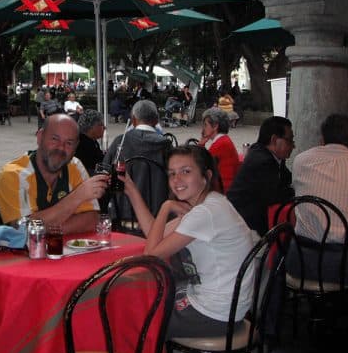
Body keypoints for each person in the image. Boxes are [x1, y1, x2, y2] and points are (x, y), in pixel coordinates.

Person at [0, 114, 109, 353]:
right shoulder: (13, 174)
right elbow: (21, 229)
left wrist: (47, 225)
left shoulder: (76, 167)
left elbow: (91, 220)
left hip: (49, 246)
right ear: (39, 137)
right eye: (54, 139)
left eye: (69, 143)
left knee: (72, 287)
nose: (61, 148)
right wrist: (75, 199)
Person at [123, 145, 254, 337]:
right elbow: (154, 233)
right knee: (146, 294)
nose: (176, 180)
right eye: (172, 173)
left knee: (134, 315)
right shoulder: (209, 202)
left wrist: (166, 207)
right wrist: (133, 191)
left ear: (206, 176)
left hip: (215, 313)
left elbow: (151, 256)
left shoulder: (205, 213)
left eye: (186, 171)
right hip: (227, 305)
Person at [289, 114, 348, 348]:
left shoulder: (301, 160)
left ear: (322, 137)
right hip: (344, 263)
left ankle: (273, 327)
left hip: (300, 260)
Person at [103, 100, 170, 227]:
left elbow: (104, 175)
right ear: (156, 121)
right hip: (157, 221)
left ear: (133, 121)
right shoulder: (166, 145)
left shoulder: (120, 142)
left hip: (121, 218)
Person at [227, 116, 295, 237]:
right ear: (274, 140)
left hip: (251, 218)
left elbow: (288, 178)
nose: (293, 146)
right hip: (244, 226)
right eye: (289, 140)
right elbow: (277, 195)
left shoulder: (266, 153)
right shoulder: (262, 161)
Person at [198, 108, 240, 192]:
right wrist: (201, 143)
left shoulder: (220, 144)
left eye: (205, 125)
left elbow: (198, 163)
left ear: (215, 126)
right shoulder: (224, 140)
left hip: (223, 191)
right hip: (226, 188)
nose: (203, 128)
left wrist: (201, 144)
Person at [74, 109, 105, 175]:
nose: (104, 127)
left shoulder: (90, 140)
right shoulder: (83, 145)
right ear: (91, 127)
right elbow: (96, 166)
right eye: (101, 125)